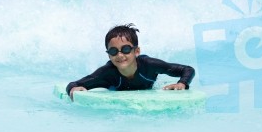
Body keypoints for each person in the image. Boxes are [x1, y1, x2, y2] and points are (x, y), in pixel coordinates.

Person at [66, 23, 195, 100]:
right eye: (113, 51)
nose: (120, 55)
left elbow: (188, 69)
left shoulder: (149, 65)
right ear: (109, 55)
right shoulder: (106, 73)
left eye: (126, 49)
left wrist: (182, 83)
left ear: (136, 51)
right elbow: (74, 84)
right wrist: (74, 89)